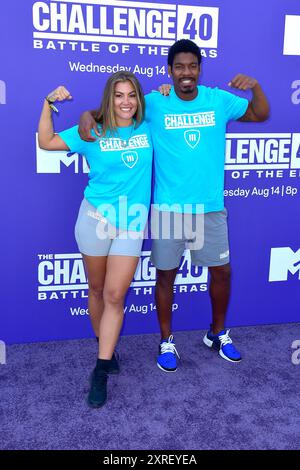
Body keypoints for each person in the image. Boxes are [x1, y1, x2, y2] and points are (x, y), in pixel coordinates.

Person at [78, 39, 269, 373]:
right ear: (169, 70)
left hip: (210, 207)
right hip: (168, 209)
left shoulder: (217, 100)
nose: (186, 73)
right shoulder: (154, 102)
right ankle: (166, 340)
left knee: (222, 272)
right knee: (166, 275)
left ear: (199, 69)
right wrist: (84, 116)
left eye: (192, 66)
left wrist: (256, 87)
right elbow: (114, 111)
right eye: (179, 67)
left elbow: (260, 113)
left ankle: (217, 332)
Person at [38, 71, 153, 407]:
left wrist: (163, 89)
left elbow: (175, 105)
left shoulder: (150, 126)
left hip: (131, 223)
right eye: (119, 95)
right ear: (109, 98)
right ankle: (107, 346)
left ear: (139, 98)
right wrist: (47, 104)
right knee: (98, 290)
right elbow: (47, 142)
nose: (126, 102)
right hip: (94, 219)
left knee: (116, 295)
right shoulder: (93, 130)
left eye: (131, 95)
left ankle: (100, 370)